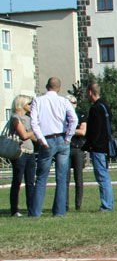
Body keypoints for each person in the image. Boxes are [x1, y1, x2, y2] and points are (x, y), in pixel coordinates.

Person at [29, 77, 78, 217]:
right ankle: (59, 212)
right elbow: (74, 119)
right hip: (62, 139)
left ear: (46, 86)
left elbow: (34, 122)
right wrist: (68, 137)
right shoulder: (63, 101)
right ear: (59, 88)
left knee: (41, 177)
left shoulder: (38, 100)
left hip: (47, 139)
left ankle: (36, 212)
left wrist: (41, 139)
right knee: (62, 177)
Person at [80, 82, 115, 212]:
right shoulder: (105, 106)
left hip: (98, 148)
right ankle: (108, 203)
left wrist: (88, 145)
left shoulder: (95, 108)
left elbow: (94, 131)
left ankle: (106, 206)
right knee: (105, 175)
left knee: (102, 176)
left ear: (90, 92)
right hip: (106, 146)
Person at [6, 95, 37, 217]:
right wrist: (35, 130)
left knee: (30, 182)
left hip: (30, 152)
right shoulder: (15, 118)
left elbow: (32, 137)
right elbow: (24, 135)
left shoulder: (28, 118)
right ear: (22, 104)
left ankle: (31, 209)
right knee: (17, 181)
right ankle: (14, 210)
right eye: (29, 104)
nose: (31, 106)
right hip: (20, 152)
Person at [67, 94, 86, 211]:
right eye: (69, 103)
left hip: (78, 148)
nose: (72, 105)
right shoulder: (62, 116)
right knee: (65, 178)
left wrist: (68, 130)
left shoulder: (81, 115)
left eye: (73, 103)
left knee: (78, 178)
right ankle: (65, 205)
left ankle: (78, 205)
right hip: (66, 149)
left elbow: (83, 131)